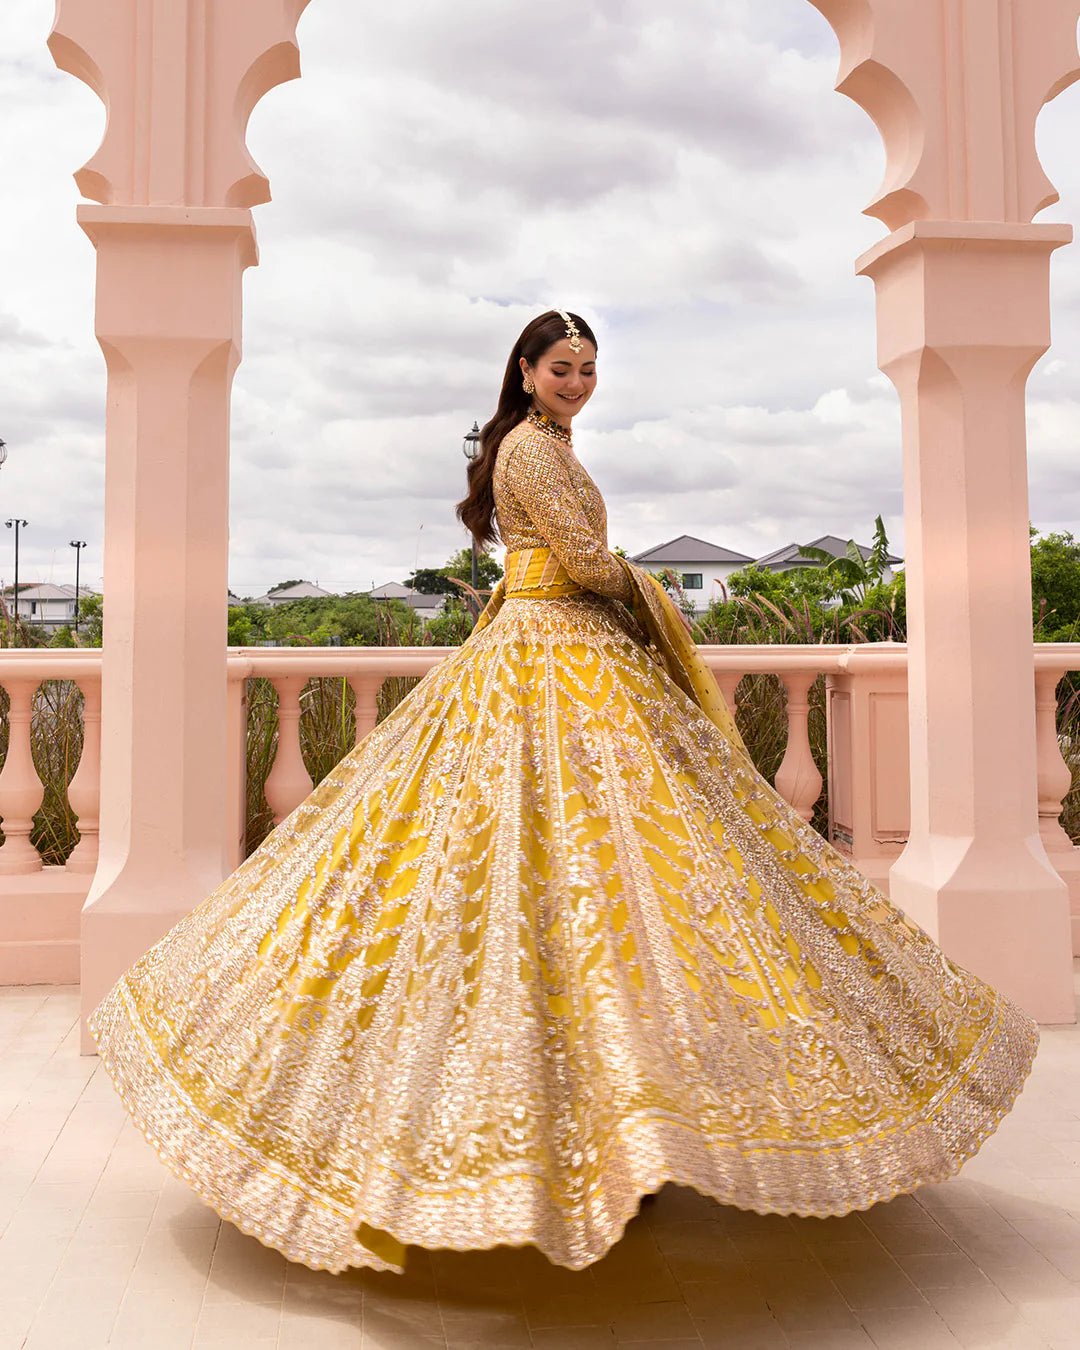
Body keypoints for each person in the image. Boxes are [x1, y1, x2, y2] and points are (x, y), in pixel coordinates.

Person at [89, 308, 1037, 1276]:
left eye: (588, 368)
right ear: (526, 370)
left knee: (604, 896)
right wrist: (644, 588)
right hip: (551, 657)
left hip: (553, 653)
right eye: (562, 368)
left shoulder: (541, 443)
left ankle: (627, 1130)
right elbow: (583, 565)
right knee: (560, 887)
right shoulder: (529, 450)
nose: (577, 381)